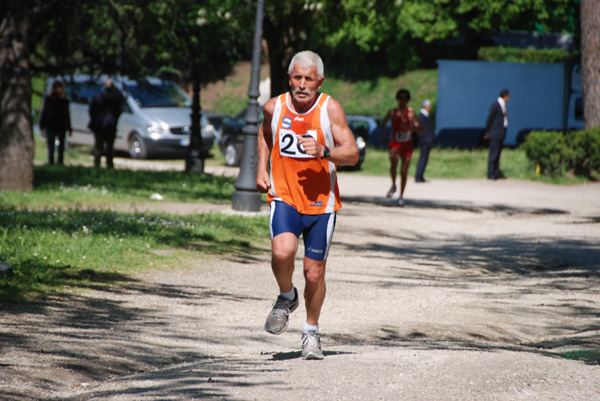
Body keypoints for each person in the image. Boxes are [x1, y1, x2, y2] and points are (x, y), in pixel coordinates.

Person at [256, 50, 359, 360]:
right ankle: (287, 296)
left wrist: (324, 151)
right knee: (282, 251)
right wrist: (262, 168)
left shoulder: (331, 110)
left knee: (314, 274)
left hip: (321, 205)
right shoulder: (274, 107)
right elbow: (264, 132)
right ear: (289, 78)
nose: (302, 84)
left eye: (308, 79)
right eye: (297, 77)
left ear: (320, 81)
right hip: (285, 196)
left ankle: (311, 332)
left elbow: (352, 153)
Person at [381, 89, 423, 206]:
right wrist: (384, 134)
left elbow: (420, 129)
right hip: (395, 143)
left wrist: (410, 128)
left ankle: (401, 195)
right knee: (393, 163)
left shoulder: (410, 113)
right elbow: (383, 122)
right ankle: (394, 184)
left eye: (405, 98)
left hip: (407, 144)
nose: (402, 101)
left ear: (408, 100)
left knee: (404, 171)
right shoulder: (393, 113)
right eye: (401, 98)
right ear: (397, 99)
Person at [88, 79, 123, 168]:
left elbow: (91, 111)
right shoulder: (116, 98)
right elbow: (119, 111)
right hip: (110, 126)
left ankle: (97, 164)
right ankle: (109, 165)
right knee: (109, 148)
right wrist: (114, 120)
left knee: (98, 147)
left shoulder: (98, 97)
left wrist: (96, 120)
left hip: (99, 126)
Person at [39, 80, 72, 165]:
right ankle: (52, 162)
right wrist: (42, 125)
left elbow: (66, 115)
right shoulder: (49, 99)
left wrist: (69, 127)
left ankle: (59, 162)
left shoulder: (64, 101)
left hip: (60, 125)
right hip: (51, 125)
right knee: (51, 145)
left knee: (60, 145)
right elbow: (45, 113)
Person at [484, 89, 510, 180]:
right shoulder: (496, 104)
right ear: (506, 96)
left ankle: (496, 172)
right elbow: (490, 118)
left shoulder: (503, 104)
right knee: (493, 154)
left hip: (501, 132)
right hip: (495, 132)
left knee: (498, 153)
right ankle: (491, 173)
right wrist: (487, 131)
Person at [415, 99, 434, 183]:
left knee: (425, 158)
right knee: (423, 158)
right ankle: (418, 176)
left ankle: (421, 175)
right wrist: (424, 139)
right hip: (424, 141)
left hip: (426, 140)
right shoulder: (421, 116)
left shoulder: (425, 116)